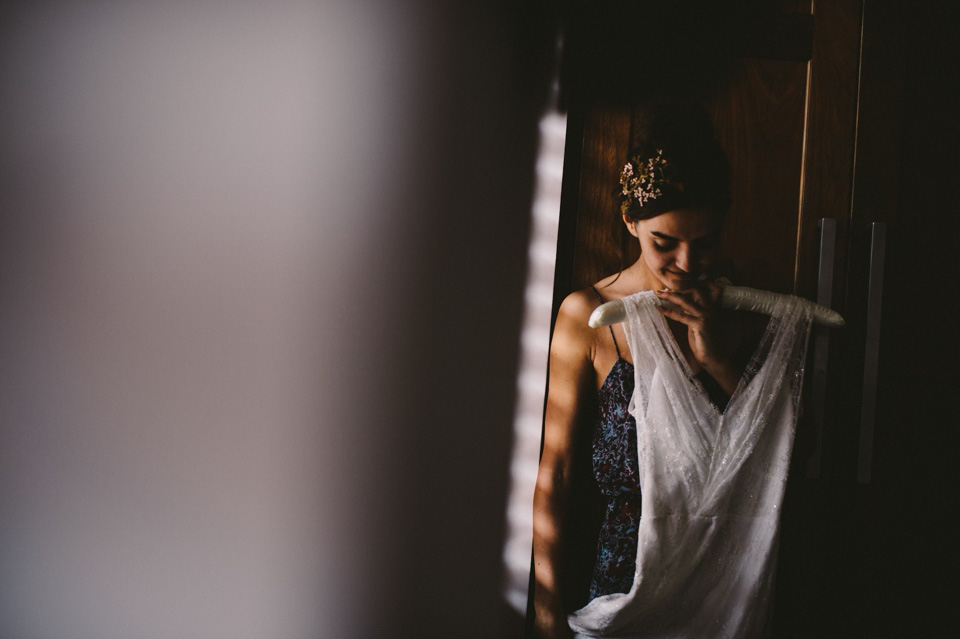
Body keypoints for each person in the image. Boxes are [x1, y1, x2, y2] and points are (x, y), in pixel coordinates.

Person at [532, 108, 758, 638]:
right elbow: (556, 472)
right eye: (665, 242)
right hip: (621, 591)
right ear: (630, 221)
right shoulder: (589, 317)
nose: (686, 262)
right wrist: (544, 607)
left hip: (725, 589)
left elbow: (793, 446)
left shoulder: (740, 309)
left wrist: (717, 358)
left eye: (704, 242)